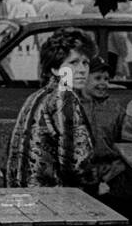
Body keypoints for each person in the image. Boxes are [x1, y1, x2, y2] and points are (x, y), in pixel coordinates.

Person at [5, 27, 97, 189]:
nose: (82, 69)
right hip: (52, 199)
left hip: (21, 194)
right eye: (73, 62)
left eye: (85, 62)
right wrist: (97, 184)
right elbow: (77, 162)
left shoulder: (37, 96)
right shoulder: (64, 97)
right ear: (55, 68)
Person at [83, 51, 130, 205]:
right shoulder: (72, 106)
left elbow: (125, 147)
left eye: (106, 79)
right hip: (81, 176)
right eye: (97, 78)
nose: (103, 83)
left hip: (111, 175)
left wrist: (109, 177)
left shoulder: (115, 109)